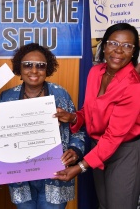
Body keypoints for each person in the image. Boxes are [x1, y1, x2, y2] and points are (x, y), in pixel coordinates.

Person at [54, 23, 140, 209]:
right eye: (113, 43)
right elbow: (89, 111)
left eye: (127, 46)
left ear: (134, 52)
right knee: (104, 204)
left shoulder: (133, 86)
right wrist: (72, 117)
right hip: (97, 147)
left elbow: (114, 137)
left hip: (124, 151)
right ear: (104, 46)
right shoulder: (95, 72)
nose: (118, 50)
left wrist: (80, 167)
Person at [0, 43, 85, 209]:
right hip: (20, 177)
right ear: (19, 69)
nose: (34, 71)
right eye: (28, 65)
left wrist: (75, 151)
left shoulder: (60, 95)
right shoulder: (6, 97)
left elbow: (78, 130)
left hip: (55, 176)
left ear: (48, 69)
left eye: (40, 66)